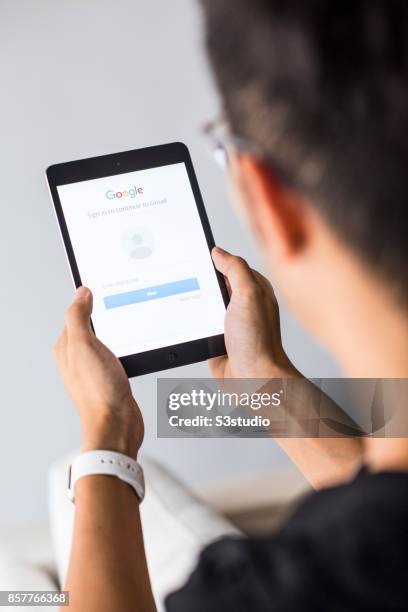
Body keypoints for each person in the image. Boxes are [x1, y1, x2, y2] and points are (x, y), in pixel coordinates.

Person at [52, 1, 408, 610]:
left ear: (270, 200)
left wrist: (106, 435)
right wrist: (264, 381)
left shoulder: (284, 588)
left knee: (59, 501)